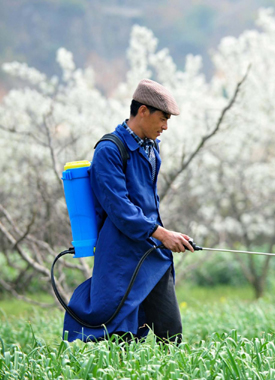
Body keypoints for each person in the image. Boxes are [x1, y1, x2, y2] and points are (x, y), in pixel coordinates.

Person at [63, 79, 193, 343]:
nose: (166, 126)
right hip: (121, 256)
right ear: (143, 111)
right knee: (121, 337)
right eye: (163, 118)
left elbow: (148, 204)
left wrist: (164, 236)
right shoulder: (109, 150)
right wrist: (162, 234)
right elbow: (119, 208)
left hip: (152, 252)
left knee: (171, 332)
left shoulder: (152, 148)